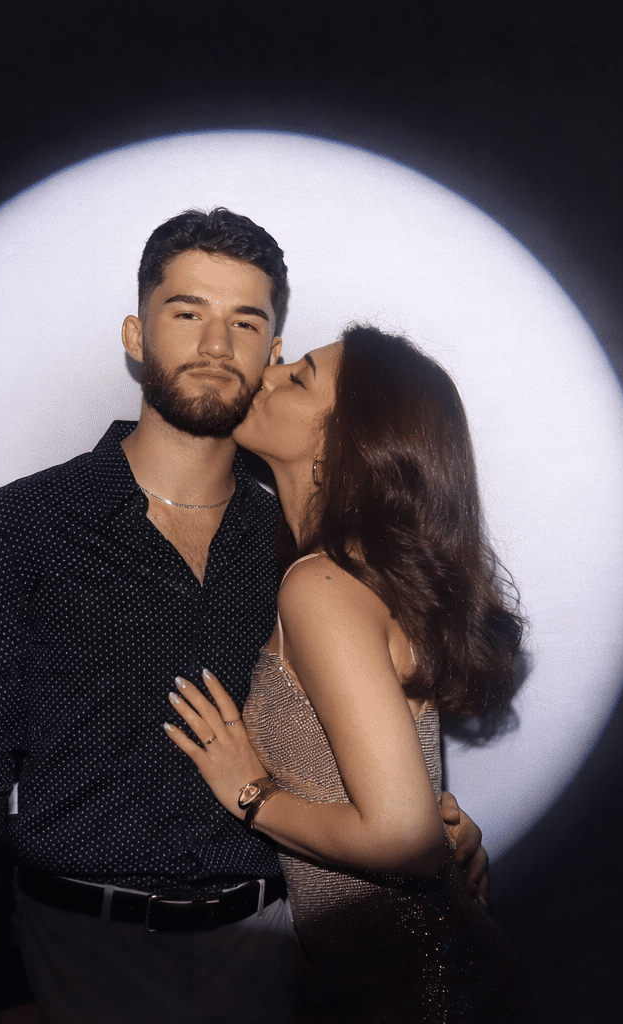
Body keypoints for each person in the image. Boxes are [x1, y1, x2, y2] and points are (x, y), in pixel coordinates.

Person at [0, 209, 489, 1024]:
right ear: (137, 333)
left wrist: (438, 822)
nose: (217, 346)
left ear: (272, 352)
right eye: (188, 312)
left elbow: (359, 737)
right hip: (76, 951)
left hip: (267, 955)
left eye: (246, 322)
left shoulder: (299, 550)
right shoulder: (22, 524)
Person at [166, 324, 534, 1022]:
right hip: (400, 981)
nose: (266, 376)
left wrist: (250, 795)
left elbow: (405, 837)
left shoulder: (323, 585)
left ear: (348, 440)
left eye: (297, 376)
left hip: (414, 994)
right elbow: (412, 816)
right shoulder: (347, 574)